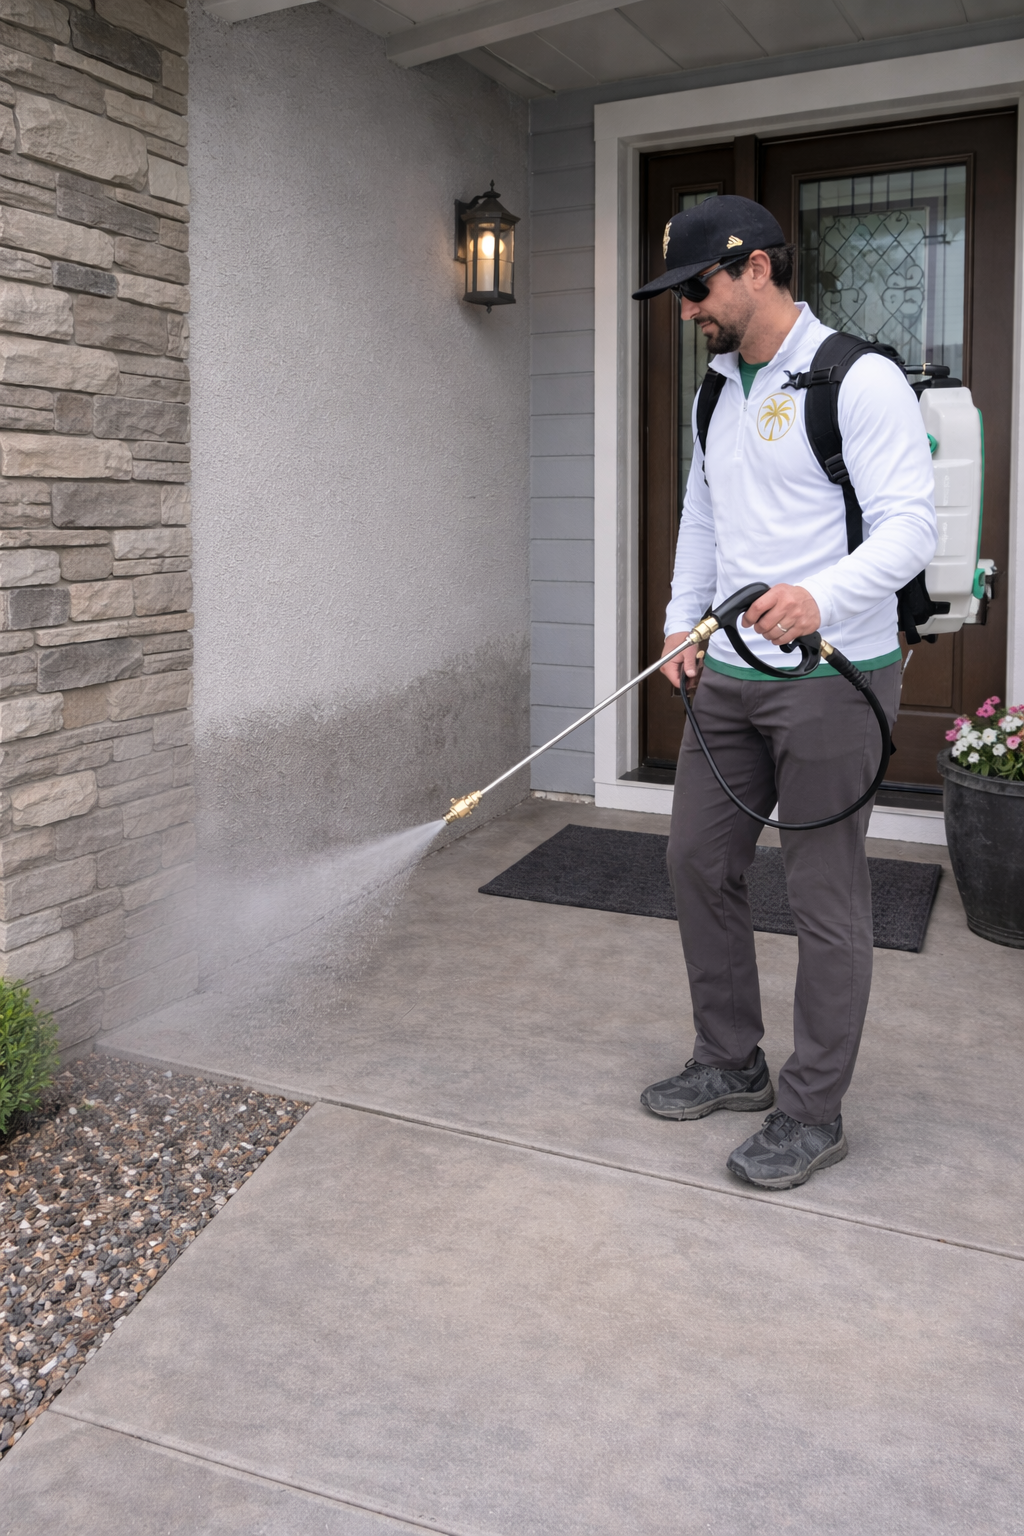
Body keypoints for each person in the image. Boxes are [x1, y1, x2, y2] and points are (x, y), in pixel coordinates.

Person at [632, 196, 936, 1189]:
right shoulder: (716, 392)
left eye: (696, 288)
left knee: (823, 897)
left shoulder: (857, 378)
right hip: (726, 678)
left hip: (831, 681)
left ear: (755, 268)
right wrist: (684, 617)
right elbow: (704, 516)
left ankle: (812, 1113)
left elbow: (908, 530)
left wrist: (822, 596)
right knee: (695, 862)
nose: (686, 310)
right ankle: (731, 1058)